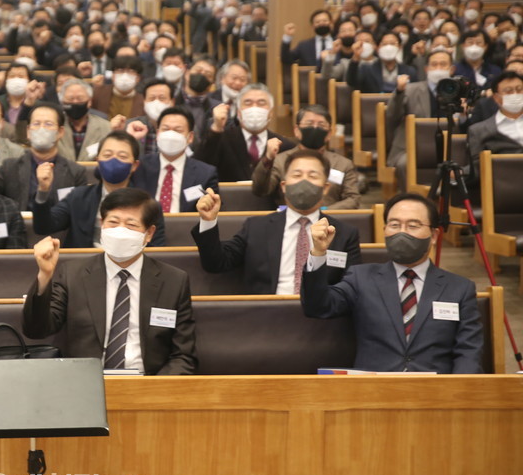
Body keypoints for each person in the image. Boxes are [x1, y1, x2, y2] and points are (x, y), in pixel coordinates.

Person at [301, 193, 482, 373]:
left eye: (413, 225)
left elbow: (468, 352)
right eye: (394, 225)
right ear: (385, 230)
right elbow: (318, 306)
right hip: (375, 391)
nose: (402, 232)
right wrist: (318, 253)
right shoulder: (361, 277)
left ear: (434, 235)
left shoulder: (459, 288)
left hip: (435, 394)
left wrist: (459, 393)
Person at [23, 188, 195, 375]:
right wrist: (45, 275)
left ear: (149, 233)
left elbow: (183, 355)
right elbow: (36, 330)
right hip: (87, 384)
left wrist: (153, 391)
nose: (120, 231)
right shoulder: (73, 274)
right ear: (102, 225)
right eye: (113, 222)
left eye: (131, 225)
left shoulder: (173, 281)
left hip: (147, 385)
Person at [192, 149, 362, 295]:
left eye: (312, 175)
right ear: (283, 185)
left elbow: (351, 286)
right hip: (266, 317)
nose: (304, 181)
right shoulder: (256, 228)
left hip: (321, 320)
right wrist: (208, 221)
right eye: (297, 175)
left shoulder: (344, 234)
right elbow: (216, 264)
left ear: (325, 188)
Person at [33, 131, 166, 248]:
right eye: (107, 155)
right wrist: (43, 190)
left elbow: (156, 249)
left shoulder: (147, 204)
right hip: (84, 269)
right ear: (98, 161)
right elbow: (44, 226)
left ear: (134, 165)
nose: (114, 161)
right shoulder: (78, 197)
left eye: (122, 156)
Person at [252, 105, 361, 209]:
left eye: (321, 125)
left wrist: (323, 212)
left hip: (329, 222)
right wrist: (268, 158)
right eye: (309, 124)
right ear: (297, 130)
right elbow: (261, 190)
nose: (315, 128)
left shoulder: (343, 164)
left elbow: (353, 199)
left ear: (329, 133)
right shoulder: (280, 161)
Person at [0, 103, 88, 210]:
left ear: (60, 132)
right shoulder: (8, 168)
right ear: (28, 131)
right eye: (36, 124)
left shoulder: (76, 172)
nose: (41, 129)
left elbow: (79, 212)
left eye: (48, 124)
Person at [195, 83, 295, 182]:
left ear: (271, 113)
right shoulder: (221, 139)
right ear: (238, 113)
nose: (254, 108)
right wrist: (216, 128)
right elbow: (200, 168)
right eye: (248, 103)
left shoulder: (284, 146)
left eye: (261, 103)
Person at [130, 107, 219, 212]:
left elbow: (212, 214)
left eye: (178, 130)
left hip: (185, 227)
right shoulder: (139, 166)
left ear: (190, 137)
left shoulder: (205, 173)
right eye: (166, 129)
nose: (170, 135)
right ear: (158, 134)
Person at [385, 50, 454, 173]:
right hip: (410, 148)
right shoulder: (410, 90)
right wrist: (399, 92)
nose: (438, 68)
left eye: (443, 64)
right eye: (434, 64)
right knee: (404, 164)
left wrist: (464, 114)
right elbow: (392, 117)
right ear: (426, 69)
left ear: (452, 69)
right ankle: (411, 193)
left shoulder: (458, 93)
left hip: (451, 148)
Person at [467, 70, 523, 182]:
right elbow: (477, 169)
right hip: (505, 184)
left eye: (519, 89)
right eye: (508, 91)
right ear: (496, 98)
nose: (515, 94)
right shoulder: (479, 130)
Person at [57, 78, 111, 161]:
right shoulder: (55, 126)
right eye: (70, 99)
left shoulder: (106, 127)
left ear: (89, 102)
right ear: (62, 102)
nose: (75, 102)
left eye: (80, 98)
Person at [346, 31, 418, 94]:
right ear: (377, 48)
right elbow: (351, 82)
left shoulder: (409, 71)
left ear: (399, 47)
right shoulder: (366, 69)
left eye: (392, 44)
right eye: (384, 44)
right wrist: (356, 57)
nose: (389, 47)